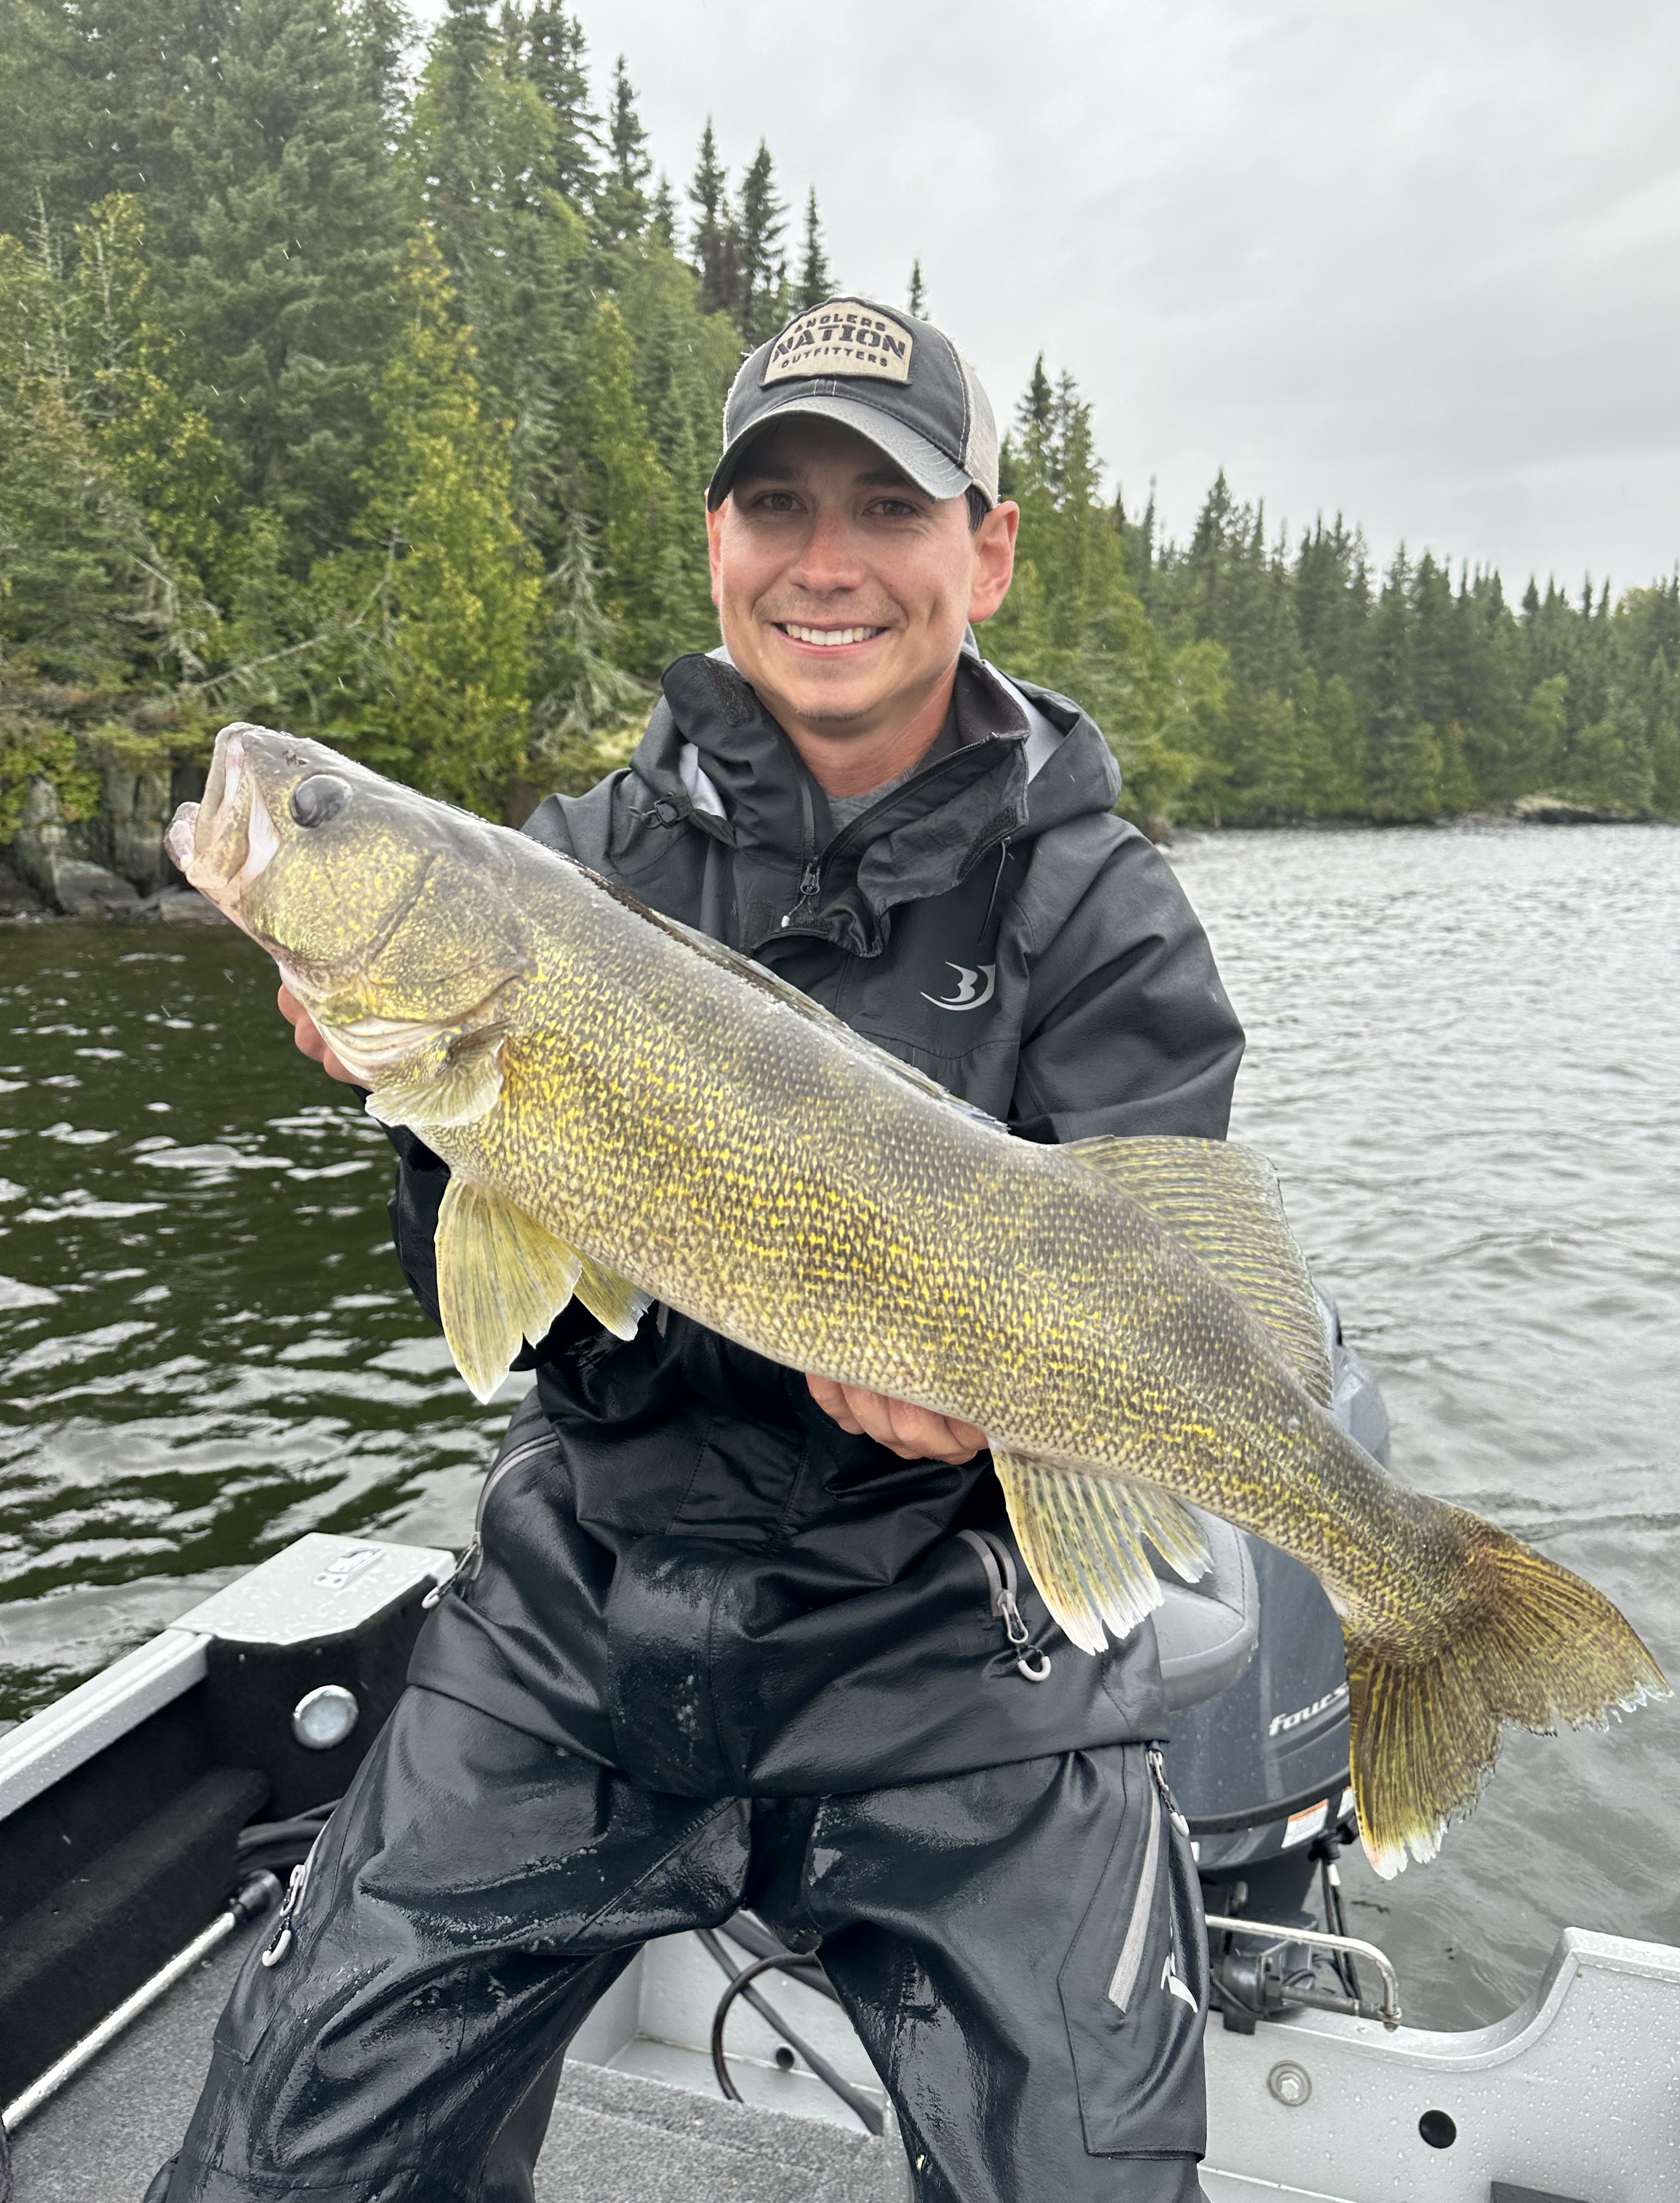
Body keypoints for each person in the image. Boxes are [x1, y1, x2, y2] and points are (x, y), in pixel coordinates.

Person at [148, 298, 1246, 2203]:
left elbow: (1162, 1295)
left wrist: (987, 1419)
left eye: (888, 511)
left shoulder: (1102, 915)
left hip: (953, 1645)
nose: (828, 562)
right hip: (591, 1606)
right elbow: (515, 1327)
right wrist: (421, 1114)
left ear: (983, 552)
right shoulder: (574, 864)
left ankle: (1420, 1610)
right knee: (281, 2169)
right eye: (776, 504)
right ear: (716, 545)